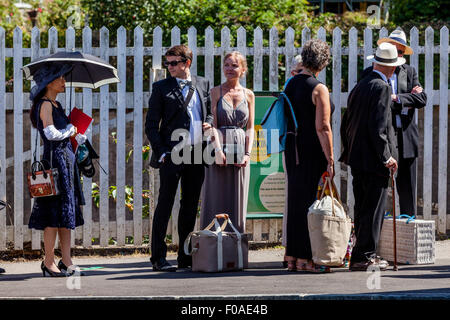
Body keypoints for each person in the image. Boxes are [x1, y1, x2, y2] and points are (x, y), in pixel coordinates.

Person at [145, 45, 213, 271]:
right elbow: (152, 125)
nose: (170, 67)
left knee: (190, 206)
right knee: (164, 204)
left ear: (187, 63)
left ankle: (185, 257)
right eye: (168, 63)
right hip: (172, 153)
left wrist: (210, 122)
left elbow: (209, 111)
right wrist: (162, 151)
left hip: (196, 152)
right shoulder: (161, 87)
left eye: (174, 63)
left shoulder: (202, 83)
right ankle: (158, 258)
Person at [340, 42, 401, 271]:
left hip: (358, 157)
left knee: (363, 207)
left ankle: (360, 254)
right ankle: (366, 255)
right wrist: (386, 157)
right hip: (374, 160)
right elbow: (379, 127)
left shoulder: (360, 86)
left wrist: (349, 149)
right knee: (373, 208)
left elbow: (347, 124)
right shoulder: (382, 87)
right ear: (392, 68)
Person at [28, 64, 87, 277]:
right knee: (53, 213)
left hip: (66, 161)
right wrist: (69, 130)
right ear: (49, 82)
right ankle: (49, 261)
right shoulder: (44, 104)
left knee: (66, 212)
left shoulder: (56, 104)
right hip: (54, 163)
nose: (64, 82)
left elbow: (62, 133)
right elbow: (51, 133)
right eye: (60, 79)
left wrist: (77, 136)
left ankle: (67, 259)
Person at [360, 29, 427, 217]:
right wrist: (407, 99)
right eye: (395, 51)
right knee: (379, 189)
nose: (398, 56)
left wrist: (397, 98)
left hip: (405, 136)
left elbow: (421, 99)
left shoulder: (410, 71)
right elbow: (375, 105)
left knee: (407, 190)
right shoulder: (370, 72)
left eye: (401, 52)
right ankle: (379, 233)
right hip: (383, 136)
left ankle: (409, 226)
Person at [283, 39, 334, 273]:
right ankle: (306, 258)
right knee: (310, 203)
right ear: (323, 63)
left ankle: (291, 255)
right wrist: (330, 158)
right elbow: (323, 127)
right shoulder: (318, 87)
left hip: (292, 147)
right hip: (312, 150)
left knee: (295, 201)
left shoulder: (290, 84)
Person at [200, 51, 255, 233]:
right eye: (227, 65)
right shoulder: (215, 92)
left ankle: (234, 246)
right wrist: (218, 151)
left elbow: (250, 128)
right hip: (218, 149)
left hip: (240, 151)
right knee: (215, 195)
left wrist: (248, 154)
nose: (230, 69)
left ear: (243, 69)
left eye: (234, 65)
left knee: (237, 197)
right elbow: (212, 124)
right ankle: (212, 244)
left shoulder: (249, 95)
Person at [282, 55, 304, 268]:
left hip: (295, 147)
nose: (299, 75)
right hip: (297, 148)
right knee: (295, 200)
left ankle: (293, 252)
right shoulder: (291, 88)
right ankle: (293, 250)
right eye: (297, 71)